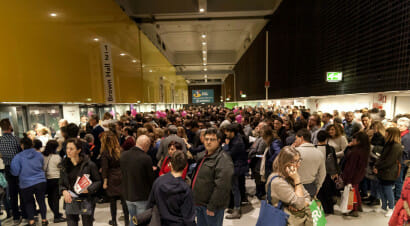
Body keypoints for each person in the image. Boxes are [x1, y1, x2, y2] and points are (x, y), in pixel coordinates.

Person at [192, 128, 234, 226]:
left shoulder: (223, 159)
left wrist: (212, 206)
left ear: (219, 141)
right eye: (206, 139)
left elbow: (222, 187)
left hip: (211, 206)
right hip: (200, 203)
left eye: (212, 139)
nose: (208, 142)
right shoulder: (204, 155)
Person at [147, 150, 196, 226]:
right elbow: (189, 218)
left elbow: (150, 205)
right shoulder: (186, 189)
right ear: (186, 166)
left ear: (170, 164)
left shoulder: (158, 181)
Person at [60, 138, 102, 226]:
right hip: (70, 200)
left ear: (78, 150)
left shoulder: (89, 165)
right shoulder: (64, 165)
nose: (68, 151)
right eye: (67, 148)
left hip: (86, 200)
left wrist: (89, 189)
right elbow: (61, 183)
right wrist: (64, 191)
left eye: (71, 149)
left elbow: (98, 181)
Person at [266, 146, 312, 225]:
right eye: (294, 161)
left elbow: (307, 196)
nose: (298, 165)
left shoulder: (290, 176)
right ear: (284, 162)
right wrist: (297, 180)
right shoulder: (278, 181)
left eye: (299, 160)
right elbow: (300, 204)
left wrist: (302, 203)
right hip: (283, 221)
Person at [10, 134, 48, 226]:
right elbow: (42, 166)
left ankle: (31, 221)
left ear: (22, 145)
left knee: (29, 203)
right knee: (41, 201)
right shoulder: (39, 154)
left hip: (26, 183)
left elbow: (15, 172)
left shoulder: (18, 157)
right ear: (32, 145)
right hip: (40, 181)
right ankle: (44, 220)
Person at [120, 135, 154, 226]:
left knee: (133, 219)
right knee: (142, 221)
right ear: (146, 145)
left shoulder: (123, 155)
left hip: (127, 194)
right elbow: (150, 179)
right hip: (142, 196)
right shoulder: (146, 158)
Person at [101, 131, 129, 226]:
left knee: (112, 202)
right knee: (124, 201)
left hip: (112, 178)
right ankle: (127, 222)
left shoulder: (105, 153)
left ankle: (114, 221)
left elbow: (105, 168)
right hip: (122, 176)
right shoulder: (121, 150)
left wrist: (105, 181)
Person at [374, 127, 403, 217]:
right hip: (383, 170)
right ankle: (383, 206)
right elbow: (382, 157)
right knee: (381, 188)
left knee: (388, 190)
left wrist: (377, 167)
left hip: (389, 171)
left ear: (391, 134)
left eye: (387, 133)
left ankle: (391, 208)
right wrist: (377, 166)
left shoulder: (396, 146)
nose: (385, 134)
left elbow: (389, 161)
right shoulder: (388, 144)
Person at [0, 118, 25, 224]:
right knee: (22, 191)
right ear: (10, 126)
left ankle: (15, 217)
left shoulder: (0, 140)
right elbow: (22, 153)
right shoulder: (16, 139)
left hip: (8, 168)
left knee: (12, 194)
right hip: (19, 168)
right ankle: (25, 214)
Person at [342, 131, 371, 217]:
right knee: (356, 190)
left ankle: (353, 209)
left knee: (352, 191)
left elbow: (351, 166)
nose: (352, 140)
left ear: (359, 141)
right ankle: (358, 205)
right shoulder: (364, 150)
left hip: (352, 175)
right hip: (359, 174)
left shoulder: (355, 152)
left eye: (354, 139)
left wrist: (348, 178)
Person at [223, 124, 248, 219]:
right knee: (234, 188)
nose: (226, 134)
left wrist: (225, 145)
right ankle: (235, 207)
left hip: (236, 167)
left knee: (235, 189)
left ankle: (237, 210)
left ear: (232, 132)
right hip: (236, 166)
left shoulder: (237, 142)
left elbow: (228, 154)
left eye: (227, 132)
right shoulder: (236, 139)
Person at [294, 128, 326, 198]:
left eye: (296, 139)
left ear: (301, 138)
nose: (295, 141)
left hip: (295, 186)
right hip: (311, 187)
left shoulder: (294, 152)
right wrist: (318, 187)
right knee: (310, 208)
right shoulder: (319, 153)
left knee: (296, 208)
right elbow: (322, 173)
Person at [315, 130, 339, 214]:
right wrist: (335, 173)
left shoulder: (314, 148)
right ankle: (329, 209)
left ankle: (319, 210)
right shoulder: (330, 149)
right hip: (328, 174)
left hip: (316, 174)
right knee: (328, 192)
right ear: (327, 138)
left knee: (319, 193)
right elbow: (334, 162)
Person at [43, 140, 66, 223]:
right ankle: (56, 216)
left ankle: (56, 213)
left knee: (50, 198)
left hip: (46, 179)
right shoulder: (57, 157)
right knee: (56, 198)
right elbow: (61, 168)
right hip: (56, 178)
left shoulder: (44, 156)